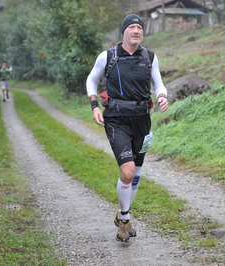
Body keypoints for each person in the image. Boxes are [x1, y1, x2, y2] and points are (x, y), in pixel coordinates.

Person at [86, 14, 169, 242]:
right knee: (128, 171)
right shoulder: (108, 56)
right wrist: (94, 106)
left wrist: (162, 96)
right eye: (131, 27)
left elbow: (158, 83)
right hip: (116, 119)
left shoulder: (149, 57)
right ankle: (124, 219)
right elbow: (91, 80)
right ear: (123, 32)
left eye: (139, 28)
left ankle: (123, 213)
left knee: (137, 173)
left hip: (142, 119)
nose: (136, 31)